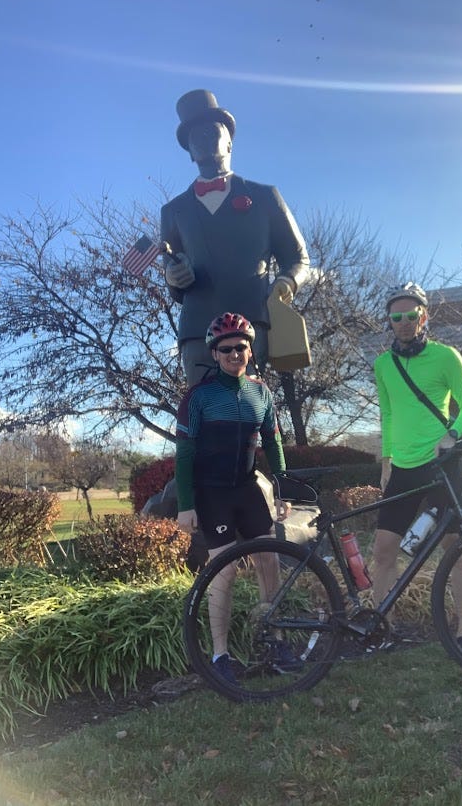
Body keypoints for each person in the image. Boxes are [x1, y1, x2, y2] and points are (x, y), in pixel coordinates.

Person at [175, 312, 301, 682]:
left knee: (269, 562)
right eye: (226, 349)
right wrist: (186, 505)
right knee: (225, 570)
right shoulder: (198, 397)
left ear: (250, 350)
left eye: (240, 347)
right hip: (212, 493)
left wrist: (281, 489)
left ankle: (275, 641)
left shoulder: (260, 393)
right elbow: (184, 455)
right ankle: (221, 655)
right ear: (214, 354)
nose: (234, 354)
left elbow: (273, 443)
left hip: (247, 489)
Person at [161, 89, 311, 385]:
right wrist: (173, 277)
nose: (202, 137)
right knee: (203, 406)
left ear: (229, 140)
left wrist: (285, 283)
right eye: (194, 135)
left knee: (247, 404)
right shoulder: (173, 211)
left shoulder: (265, 197)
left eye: (211, 130)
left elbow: (298, 258)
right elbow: (174, 283)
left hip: (250, 323)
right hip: (196, 330)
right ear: (189, 152)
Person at [372, 282, 462, 659]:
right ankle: (382, 630)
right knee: (383, 551)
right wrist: (386, 461)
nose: (403, 322)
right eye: (396, 317)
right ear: (389, 321)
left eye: (411, 315)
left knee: (455, 549)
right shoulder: (383, 365)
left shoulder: (446, 356)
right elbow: (388, 414)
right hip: (402, 469)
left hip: (441, 467)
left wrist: (451, 435)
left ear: (424, 316)